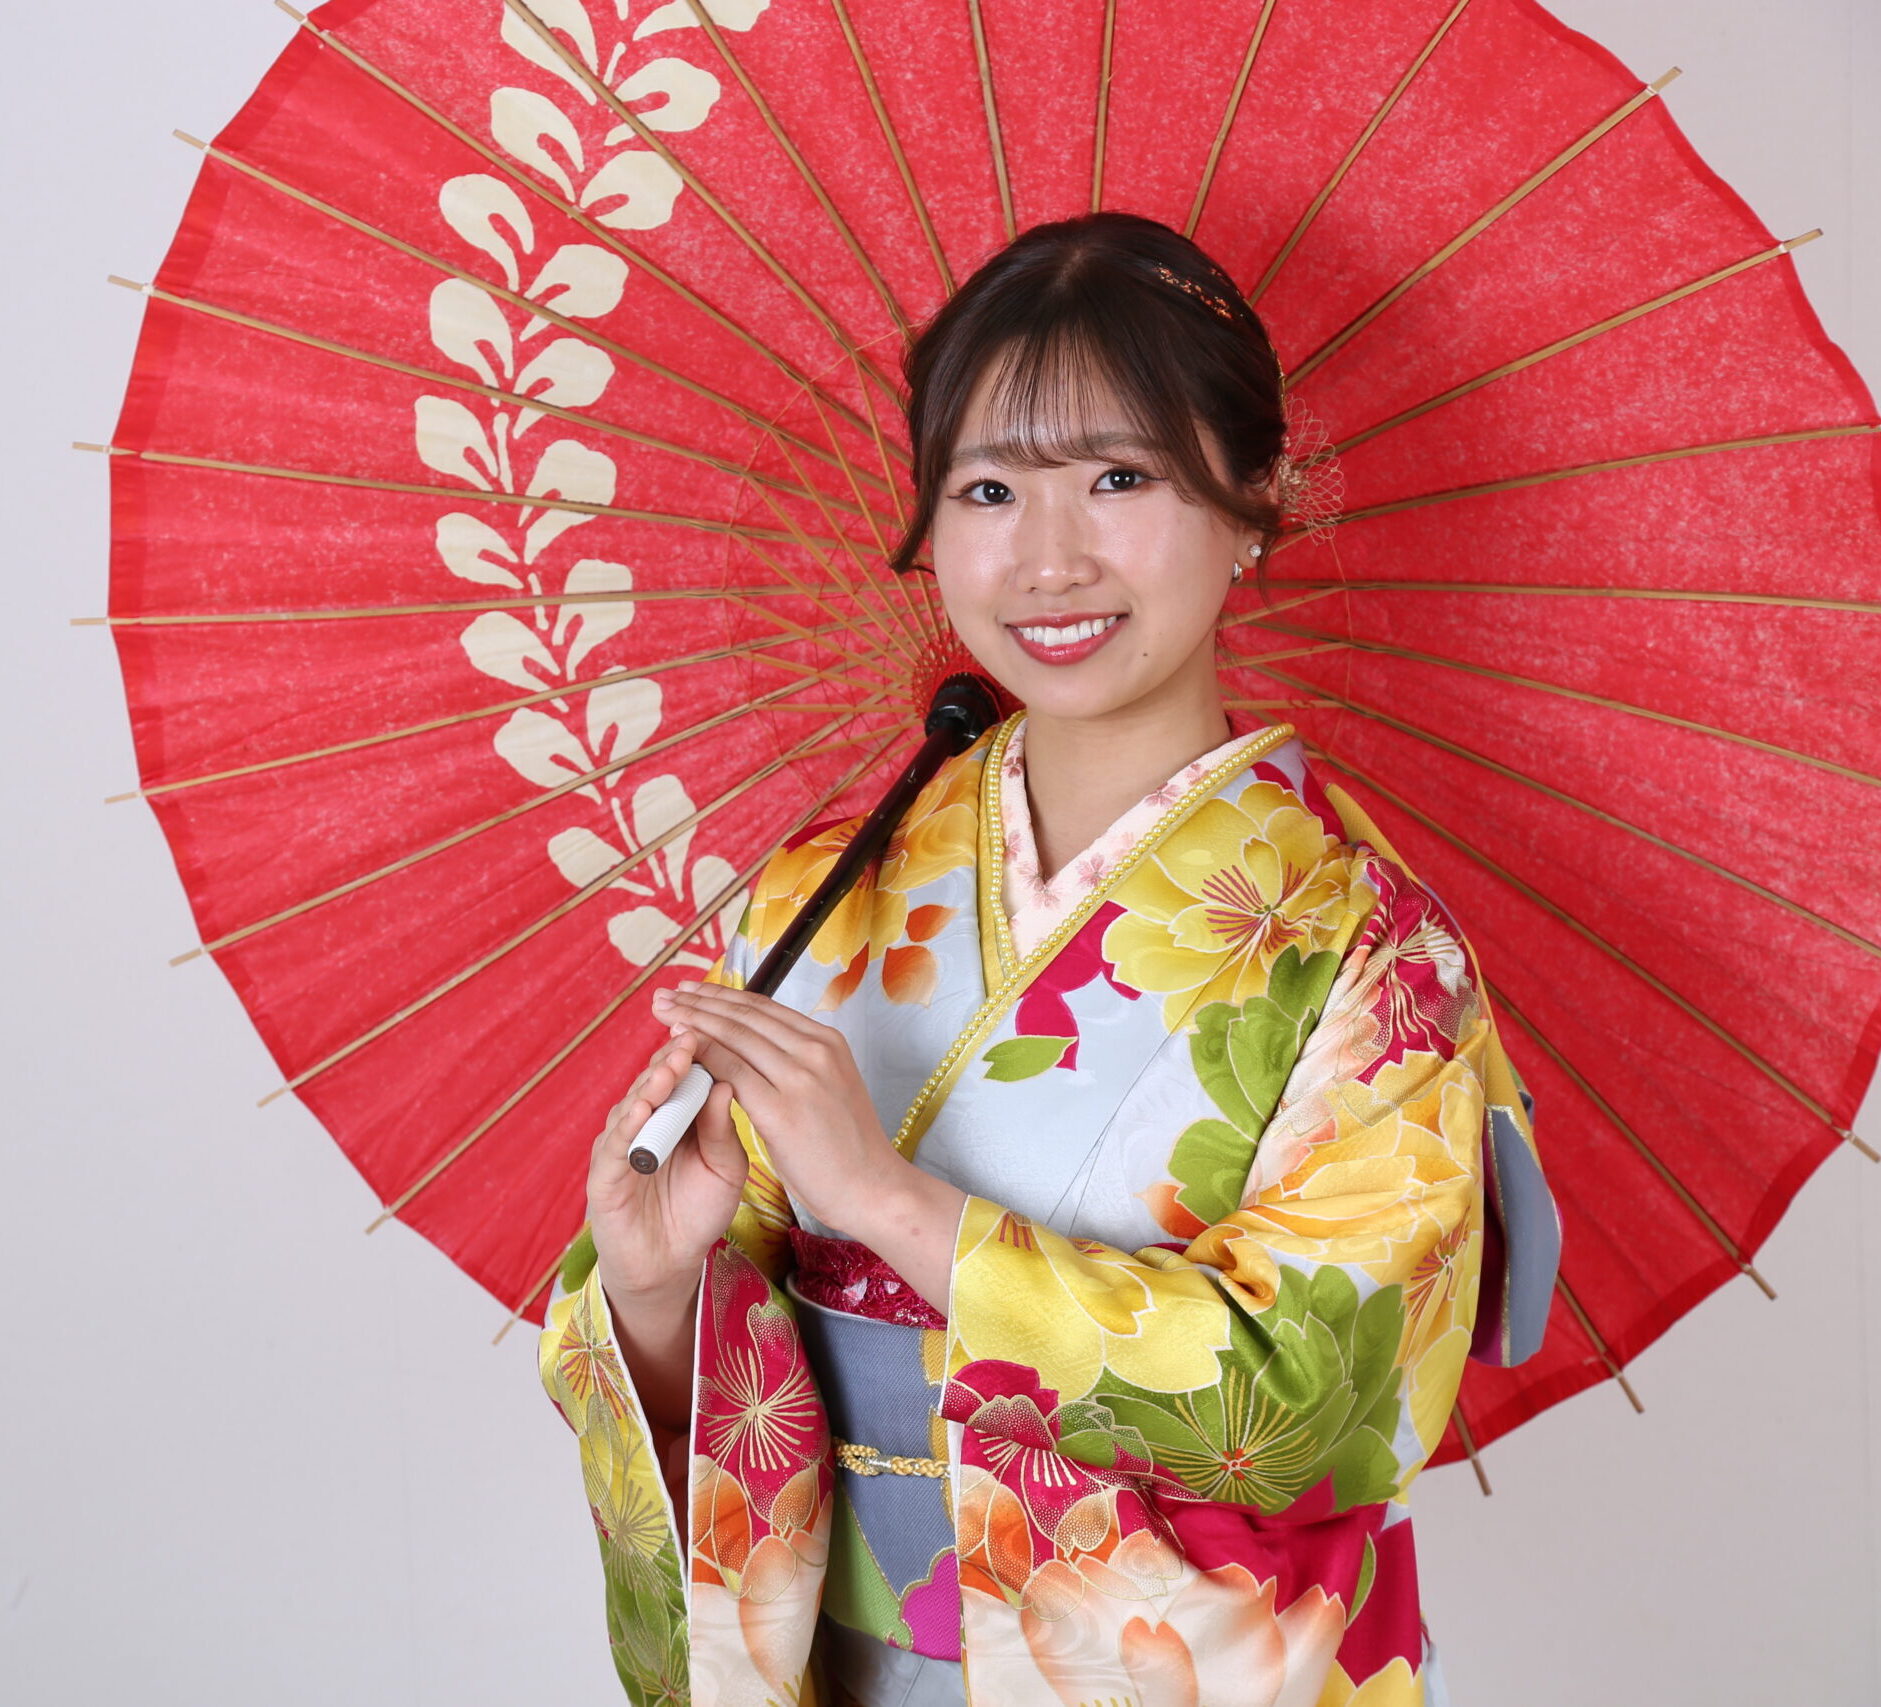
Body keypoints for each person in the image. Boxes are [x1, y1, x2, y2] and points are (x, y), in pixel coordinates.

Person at [540, 210, 1559, 1707]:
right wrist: (650, 1294)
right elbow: (725, 1369)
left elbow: (1319, 1407)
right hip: (856, 1668)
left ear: (1253, 503)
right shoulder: (825, 892)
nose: (1047, 557)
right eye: (988, 488)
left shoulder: (1365, 948)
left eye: (1119, 478)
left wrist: (889, 1204)